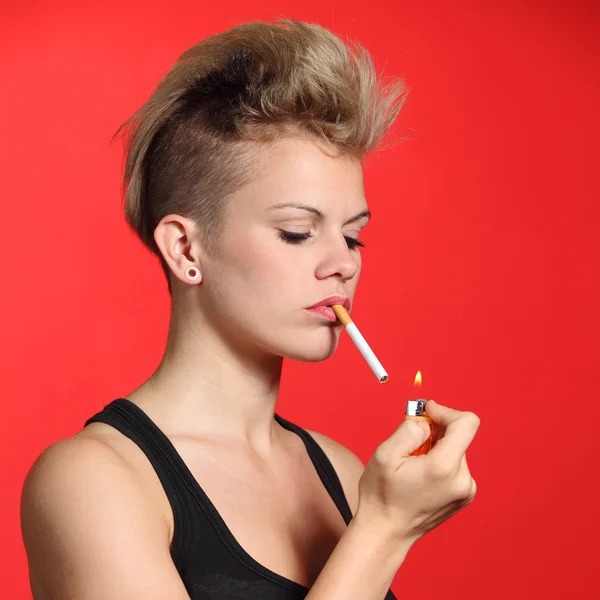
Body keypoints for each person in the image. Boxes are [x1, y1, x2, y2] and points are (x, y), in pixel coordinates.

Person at [20, 19, 480, 600]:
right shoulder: (92, 482)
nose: (343, 262)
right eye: (296, 232)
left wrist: (383, 519)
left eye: (354, 236)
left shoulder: (338, 472)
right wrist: (385, 530)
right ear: (186, 249)